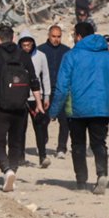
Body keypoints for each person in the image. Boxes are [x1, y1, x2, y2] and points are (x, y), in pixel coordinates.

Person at [49, 22, 109, 194]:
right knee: (99, 143)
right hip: (102, 108)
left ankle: (81, 182)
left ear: (79, 36)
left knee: (78, 145)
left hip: (77, 109)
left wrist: (53, 111)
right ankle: (102, 174)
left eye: (74, 34)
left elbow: (62, 86)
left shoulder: (71, 55)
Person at [0, 26, 41, 192]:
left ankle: (7, 170)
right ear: (13, 38)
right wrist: (39, 103)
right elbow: (34, 80)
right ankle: (13, 170)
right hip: (20, 105)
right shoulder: (24, 55)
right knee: (16, 142)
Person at [19, 32, 53, 168]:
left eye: (29, 44)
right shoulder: (16, 56)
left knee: (40, 127)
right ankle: (20, 157)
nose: (26, 47)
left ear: (33, 43)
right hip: (20, 97)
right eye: (24, 45)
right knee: (20, 128)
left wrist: (46, 95)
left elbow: (45, 76)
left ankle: (42, 156)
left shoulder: (41, 56)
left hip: (36, 97)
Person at [39, 25, 71, 159]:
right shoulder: (40, 51)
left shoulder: (67, 51)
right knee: (43, 119)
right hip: (45, 91)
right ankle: (42, 143)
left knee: (64, 121)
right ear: (48, 35)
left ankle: (61, 148)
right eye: (54, 36)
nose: (56, 39)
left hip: (62, 91)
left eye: (58, 37)